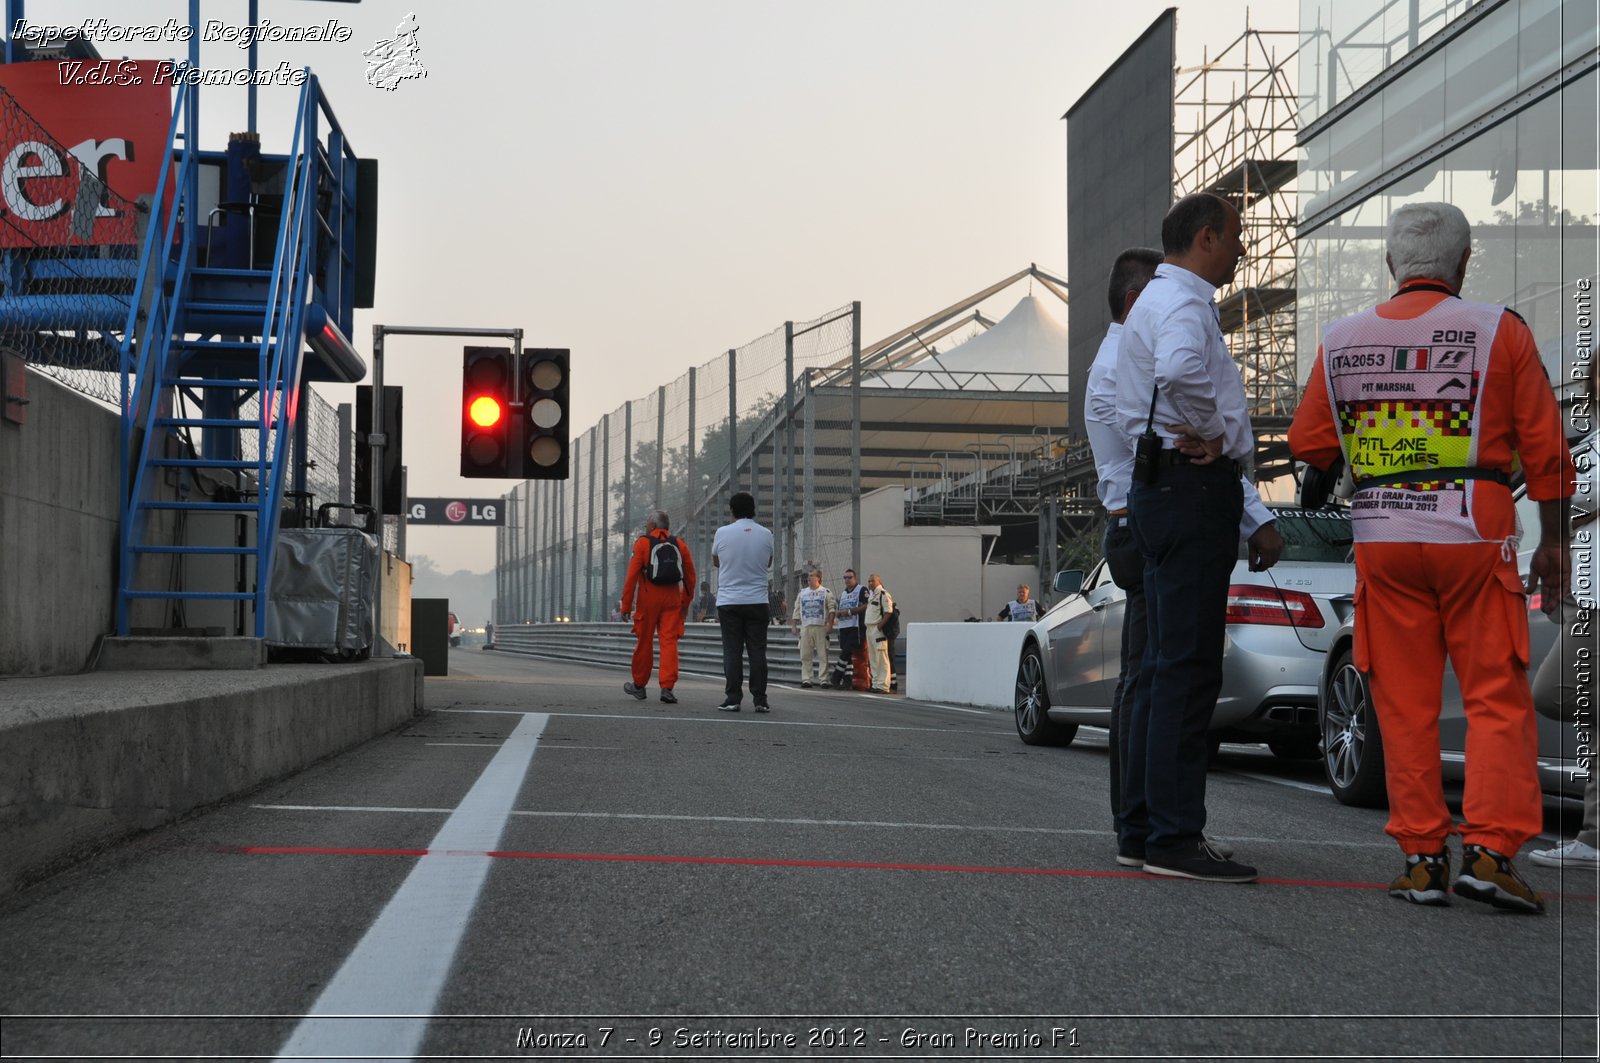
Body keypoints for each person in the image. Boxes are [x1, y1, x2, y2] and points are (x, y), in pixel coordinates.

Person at [1289, 201, 1574, 912]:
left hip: (1384, 537)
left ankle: (1421, 858)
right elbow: (1547, 452)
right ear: (1465, 262)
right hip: (1474, 532)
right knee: (1496, 697)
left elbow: (1311, 446)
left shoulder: (1341, 339)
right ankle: (1490, 853)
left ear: (1391, 265)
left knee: (1405, 703)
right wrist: (1558, 540)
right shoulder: (1499, 330)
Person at [1087, 246, 1278, 871]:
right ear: (1137, 299)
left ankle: (1142, 827)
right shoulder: (1135, 348)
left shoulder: (1119, 352)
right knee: (1170, 674)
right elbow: (1190, 447)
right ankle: (1158, 829)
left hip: (1145, 513)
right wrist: (1224, 443)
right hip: (1161, 511)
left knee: (1151, 678)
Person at [619, 510, 695, 705]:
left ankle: (639, 685)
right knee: (669, 642)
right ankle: (667, 688)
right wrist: (685, 603)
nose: (646, 527)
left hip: (648, 600)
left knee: (644, 642)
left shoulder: (643, 543)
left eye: (647, 524)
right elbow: (690, 577)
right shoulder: (679, 544)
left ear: (652, 526)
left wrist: (626, 605)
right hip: (672, 600)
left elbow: (631, 576)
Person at [712, 491, 775, 712]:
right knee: (757, 651)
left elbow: (716, 560)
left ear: (732, 511)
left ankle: (733, 698)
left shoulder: (722, 532)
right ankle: (760, 699)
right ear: (753, 509)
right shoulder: (767, 534)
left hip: (729, 601)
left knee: (732, 651)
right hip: (758, 601)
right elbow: (768, 562)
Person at [790, 569, 836, 687]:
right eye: (808, 576)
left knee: (823, 654)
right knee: (805, 654)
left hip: (820, 626)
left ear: (818, 578)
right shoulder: (802, 593)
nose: (809, 578)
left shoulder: (826, 592)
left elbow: (831, 609)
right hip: (806, 626)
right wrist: (794, 625)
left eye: (812, 576)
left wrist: (830, 624)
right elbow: (797, 609)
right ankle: (806, 679)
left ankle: (824, 680)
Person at [831, 568, 871, 690]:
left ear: (855, 578)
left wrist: (849, 612)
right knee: (847, 655)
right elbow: (839, 609)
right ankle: (847, 681)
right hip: (843, 627)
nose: (847, 580)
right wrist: (838, 613)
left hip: (855, 627)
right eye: (845, 578)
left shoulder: (861, 590)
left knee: (846, 651)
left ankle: (836, 676)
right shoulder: (843, 594)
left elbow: (866, 605)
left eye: (850, 577)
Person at [862, 573, 894, 694]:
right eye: (869, 581)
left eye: (873, 581)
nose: (870, 583)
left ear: (879, 581)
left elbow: (888, 611)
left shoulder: (883, 594)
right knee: (873, 657)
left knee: (881, 657)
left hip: (877, 629)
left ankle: (883, 685)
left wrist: (880, 625)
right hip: (869, 628)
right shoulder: (871, 595)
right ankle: (875, 683)